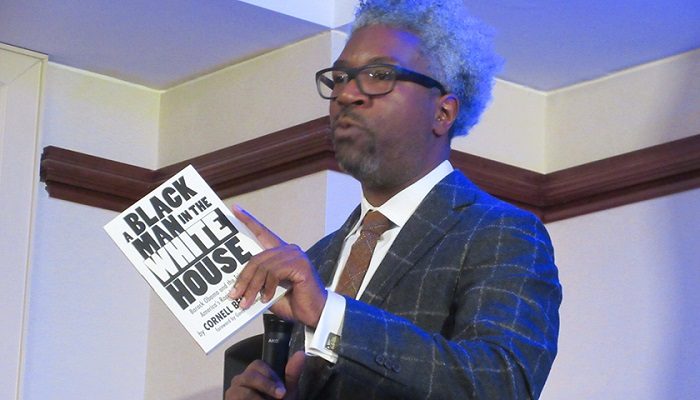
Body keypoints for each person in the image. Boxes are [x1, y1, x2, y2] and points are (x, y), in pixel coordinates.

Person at [226, 0, 561, 398]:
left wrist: (331, 315)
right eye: (340, 78)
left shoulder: (502, 233)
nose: (348, 93)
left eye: (379, 74)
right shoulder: (316, 259)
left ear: (443, 112)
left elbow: (501, 383)